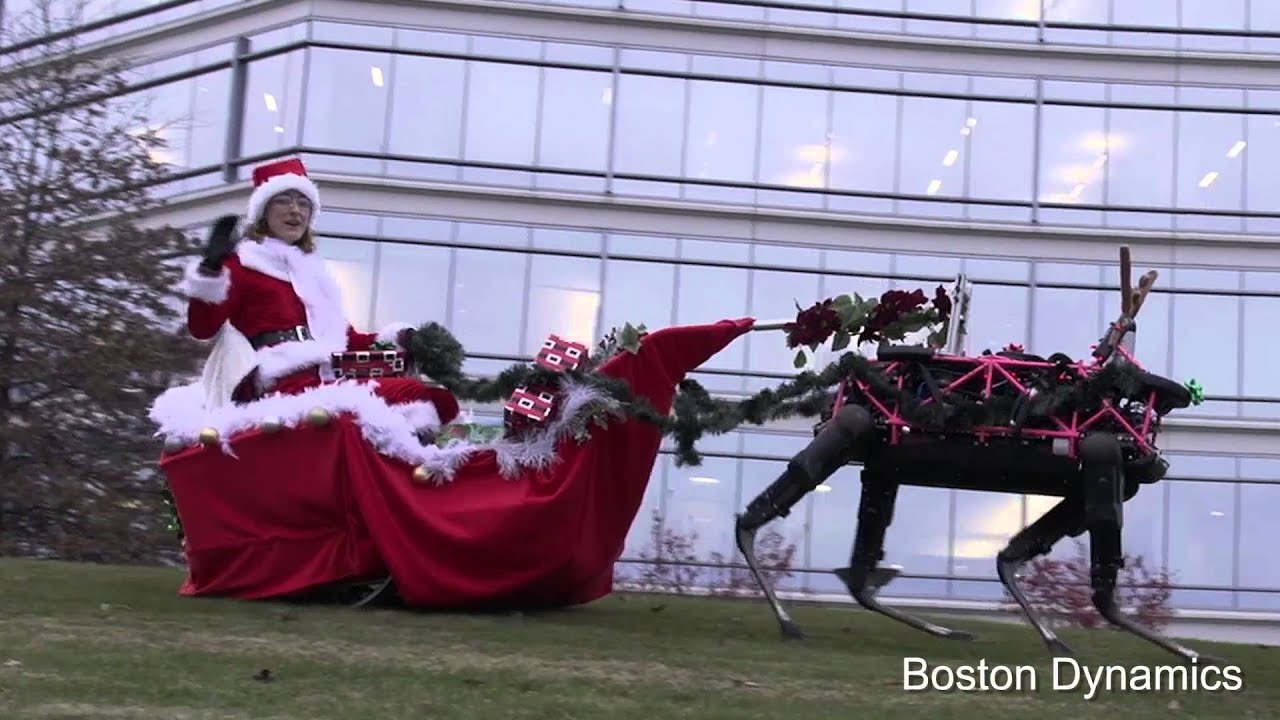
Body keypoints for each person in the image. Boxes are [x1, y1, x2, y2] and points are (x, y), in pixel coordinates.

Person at [176, 157, 459, 437]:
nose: (295, 210)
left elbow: (348, 341)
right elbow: (202, 328)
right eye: (283, 200)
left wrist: (405, 339)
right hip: (280, 389)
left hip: (326, 379)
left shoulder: (314, 276)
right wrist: (210, 272)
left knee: (435, 398)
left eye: (303, 203)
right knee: (408, 395)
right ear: (263, 211)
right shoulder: (243, 264)